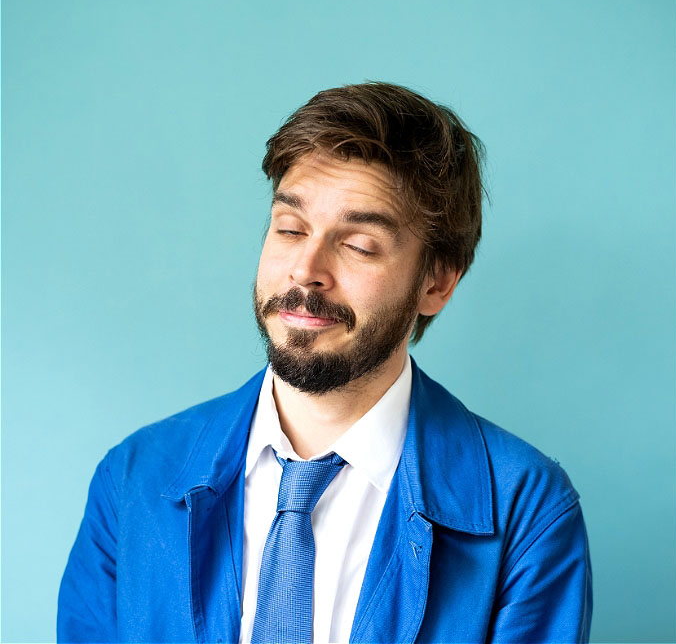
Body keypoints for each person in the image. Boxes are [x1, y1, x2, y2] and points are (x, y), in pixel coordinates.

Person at [58, 82, 592, 643]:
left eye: (359, 245)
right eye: (290, 229)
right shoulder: (133, 479)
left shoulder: (528, 513)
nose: (306, 269)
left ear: (437, 282)